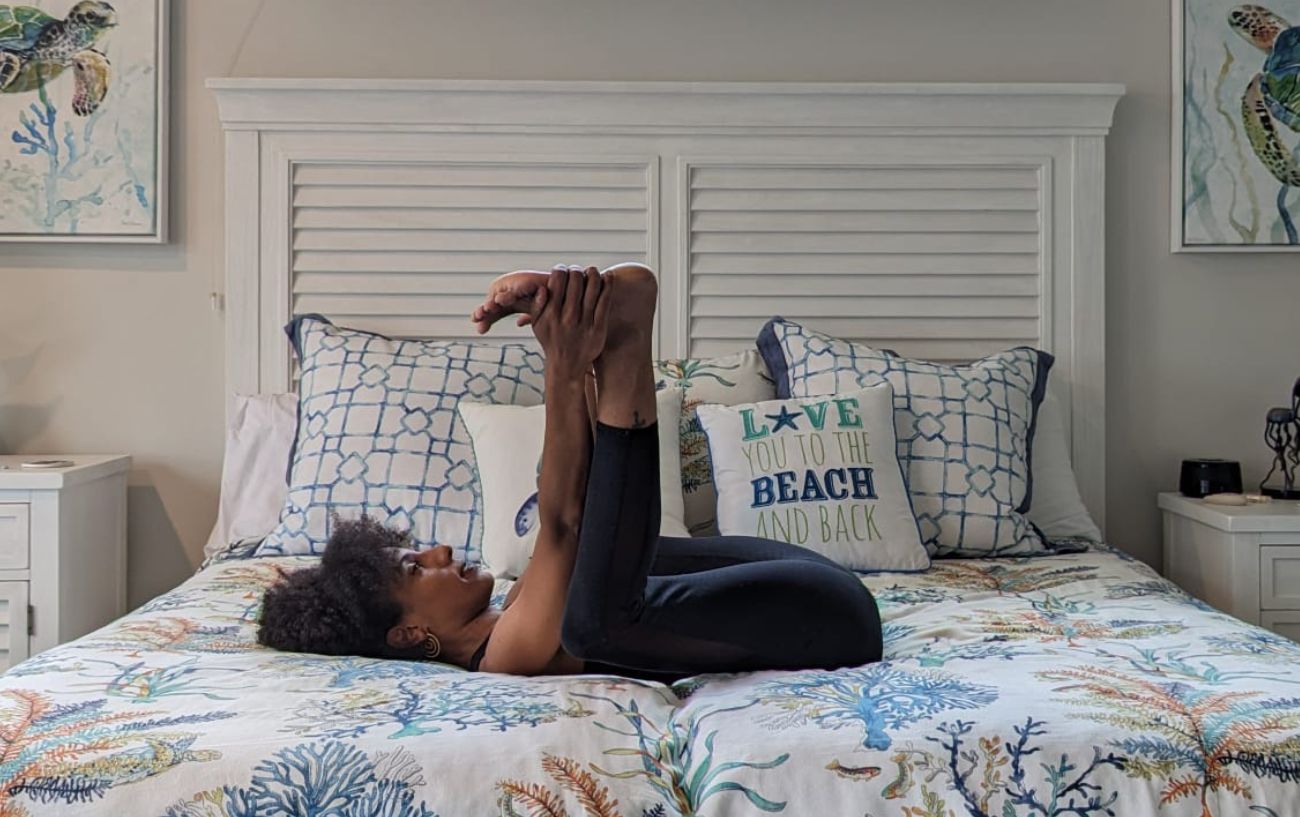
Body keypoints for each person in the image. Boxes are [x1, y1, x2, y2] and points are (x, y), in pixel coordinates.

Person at [258, 264, 883, 679]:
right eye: (417, 567)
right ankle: (628, 342)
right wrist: (561, 365)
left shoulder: (518, 606)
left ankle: (618, 339)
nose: (441, 549)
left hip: (810, 588)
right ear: (407, 635)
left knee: (595, 567)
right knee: (591, 620)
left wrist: (568, 345)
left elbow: (577, 494)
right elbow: (561, 519)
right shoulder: (503, 656)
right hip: (828, 622)